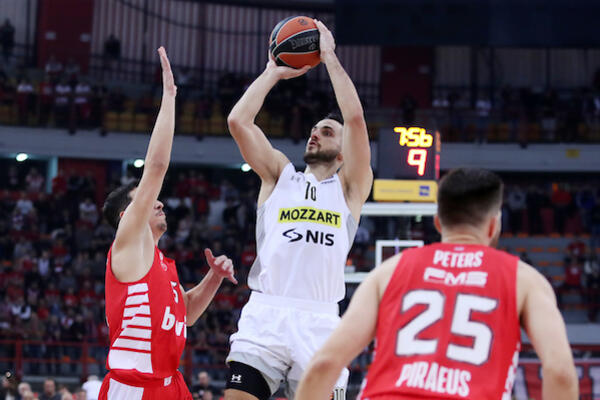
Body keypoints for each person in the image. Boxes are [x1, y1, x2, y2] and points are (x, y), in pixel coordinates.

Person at [296, 168, 578, 400]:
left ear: (438, 223)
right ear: (493, 227)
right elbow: (561, 373)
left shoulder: (389, 271)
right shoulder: (525, 280)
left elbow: (324, 365)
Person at [224, 19, 372, 400]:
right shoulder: (279, 175)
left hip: (320, 320)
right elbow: (238, 122)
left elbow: (354, 121)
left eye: (326, 131)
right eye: (314, 129)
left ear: (342, 153)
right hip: (267, 314)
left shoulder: (350, 189)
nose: (315, 133)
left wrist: (330, 58)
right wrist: (272, 73)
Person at [98, 47, 237, 400]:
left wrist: (214, 278)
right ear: (124, 217)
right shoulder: (127, 243)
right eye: (143, 199)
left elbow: (186, 315)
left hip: (171, 384)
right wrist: (170, 98)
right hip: (133, 388)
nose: (158, 200)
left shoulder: (161, 261)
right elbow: (156, 168)